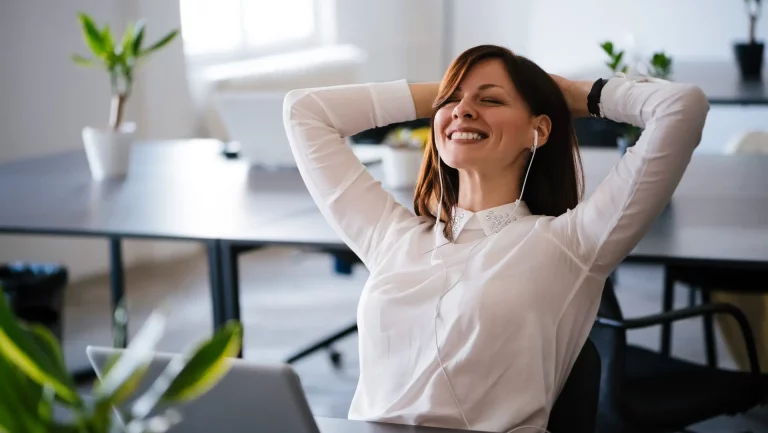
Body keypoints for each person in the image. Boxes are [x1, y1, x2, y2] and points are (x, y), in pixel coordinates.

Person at [282, 44, 709, 432]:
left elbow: (681, 107)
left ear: (538, 131)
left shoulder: (572, 245)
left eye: (491, 99)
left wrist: (570, 95)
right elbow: (304, 111)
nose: (464, 110)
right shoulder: (393, 237)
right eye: (453, 101)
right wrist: (448, 95)